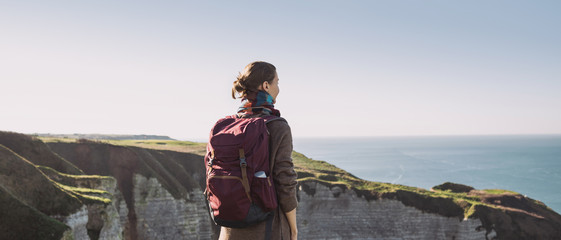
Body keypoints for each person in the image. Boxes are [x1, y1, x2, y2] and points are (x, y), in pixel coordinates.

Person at [219, 61, 298, 240]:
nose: (278, 88)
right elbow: (285, 181)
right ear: (266, 85)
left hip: (228, 231)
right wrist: (293, 229)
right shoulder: (277, 126)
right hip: (267, 230)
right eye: (277, 82)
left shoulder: (225, 126)